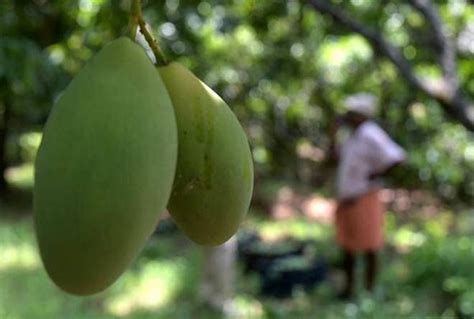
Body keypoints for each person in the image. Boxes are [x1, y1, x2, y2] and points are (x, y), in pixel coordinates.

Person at [329, 93, 406, 299]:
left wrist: (374, 176)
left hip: (364, 198)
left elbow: (397, 157)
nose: (347, 116)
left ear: (361, 116)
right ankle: (349, 290)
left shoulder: (370, 132)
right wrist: (333, 133)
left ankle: (369, 291)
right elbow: (336, 158)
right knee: (348, 246)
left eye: (351, 113)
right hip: (348, 199)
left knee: (369, 245)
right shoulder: (351, 135)